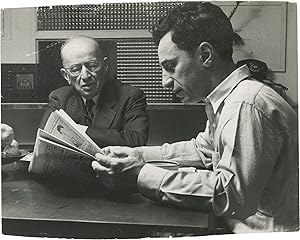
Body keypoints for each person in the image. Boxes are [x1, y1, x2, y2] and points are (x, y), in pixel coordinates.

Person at [91, 2, 299, 233]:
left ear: (205, 55)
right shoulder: (231, 98)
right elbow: (203, 151)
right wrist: (137, 154)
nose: (164, 81)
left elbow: (230, 196)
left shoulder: (245, 104)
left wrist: (140, 174)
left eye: (171, 66)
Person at [40, 35, 149, 148]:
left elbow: (137, 140)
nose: (85, 76)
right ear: (66, 76)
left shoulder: (130, 96)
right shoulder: (59, 98)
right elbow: (44, 139)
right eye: (75, 69)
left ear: (105, 66)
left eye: (92, 65)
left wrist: (82, 131)